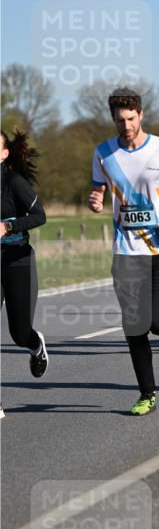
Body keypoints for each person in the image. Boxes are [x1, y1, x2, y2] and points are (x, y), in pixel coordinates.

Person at [88, 88, 159, 415]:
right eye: (119, 120)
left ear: (141, 115)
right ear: (113, 119)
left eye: (130, 119)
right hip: (125, 252)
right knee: (134, 326)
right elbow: (98, 190)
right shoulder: (103, 153)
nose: (125, 125)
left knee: (156, 320)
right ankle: (146, 394)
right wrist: (95, 201)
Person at [1, 130, 49, 415]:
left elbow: (39, 216)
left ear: (4, 154)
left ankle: (35, 344)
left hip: (17, 261)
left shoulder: (14, 182)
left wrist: (8, 226)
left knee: (19, 333)